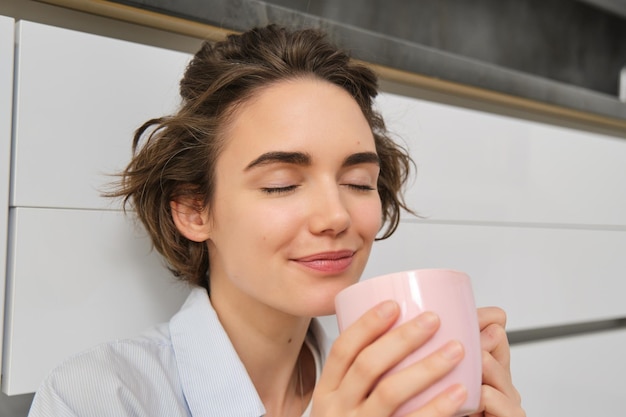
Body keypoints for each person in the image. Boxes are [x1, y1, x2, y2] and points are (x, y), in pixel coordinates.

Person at [28, 24, 524, 417]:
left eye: (358, 183)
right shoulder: (97, 399)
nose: (336, 216)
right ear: (194, 209)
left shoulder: (399, 391)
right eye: (282, 184)